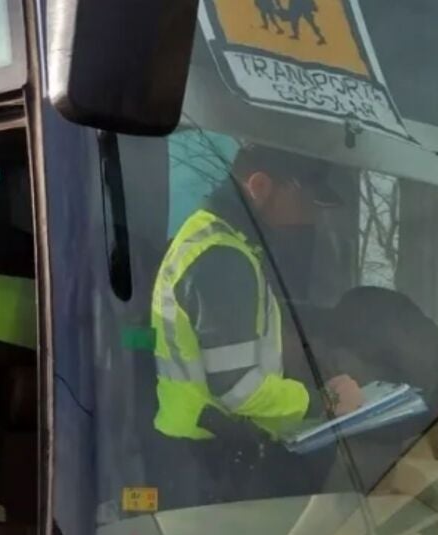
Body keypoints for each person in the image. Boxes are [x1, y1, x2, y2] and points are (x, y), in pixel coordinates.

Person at [151, 144, 362, 469]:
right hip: (208, 459)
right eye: (305, 203)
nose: (311, 218)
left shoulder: (212, 239)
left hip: (197, 447)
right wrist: (325, 402)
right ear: (260, 186)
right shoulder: (223, 258)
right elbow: (238, 389)